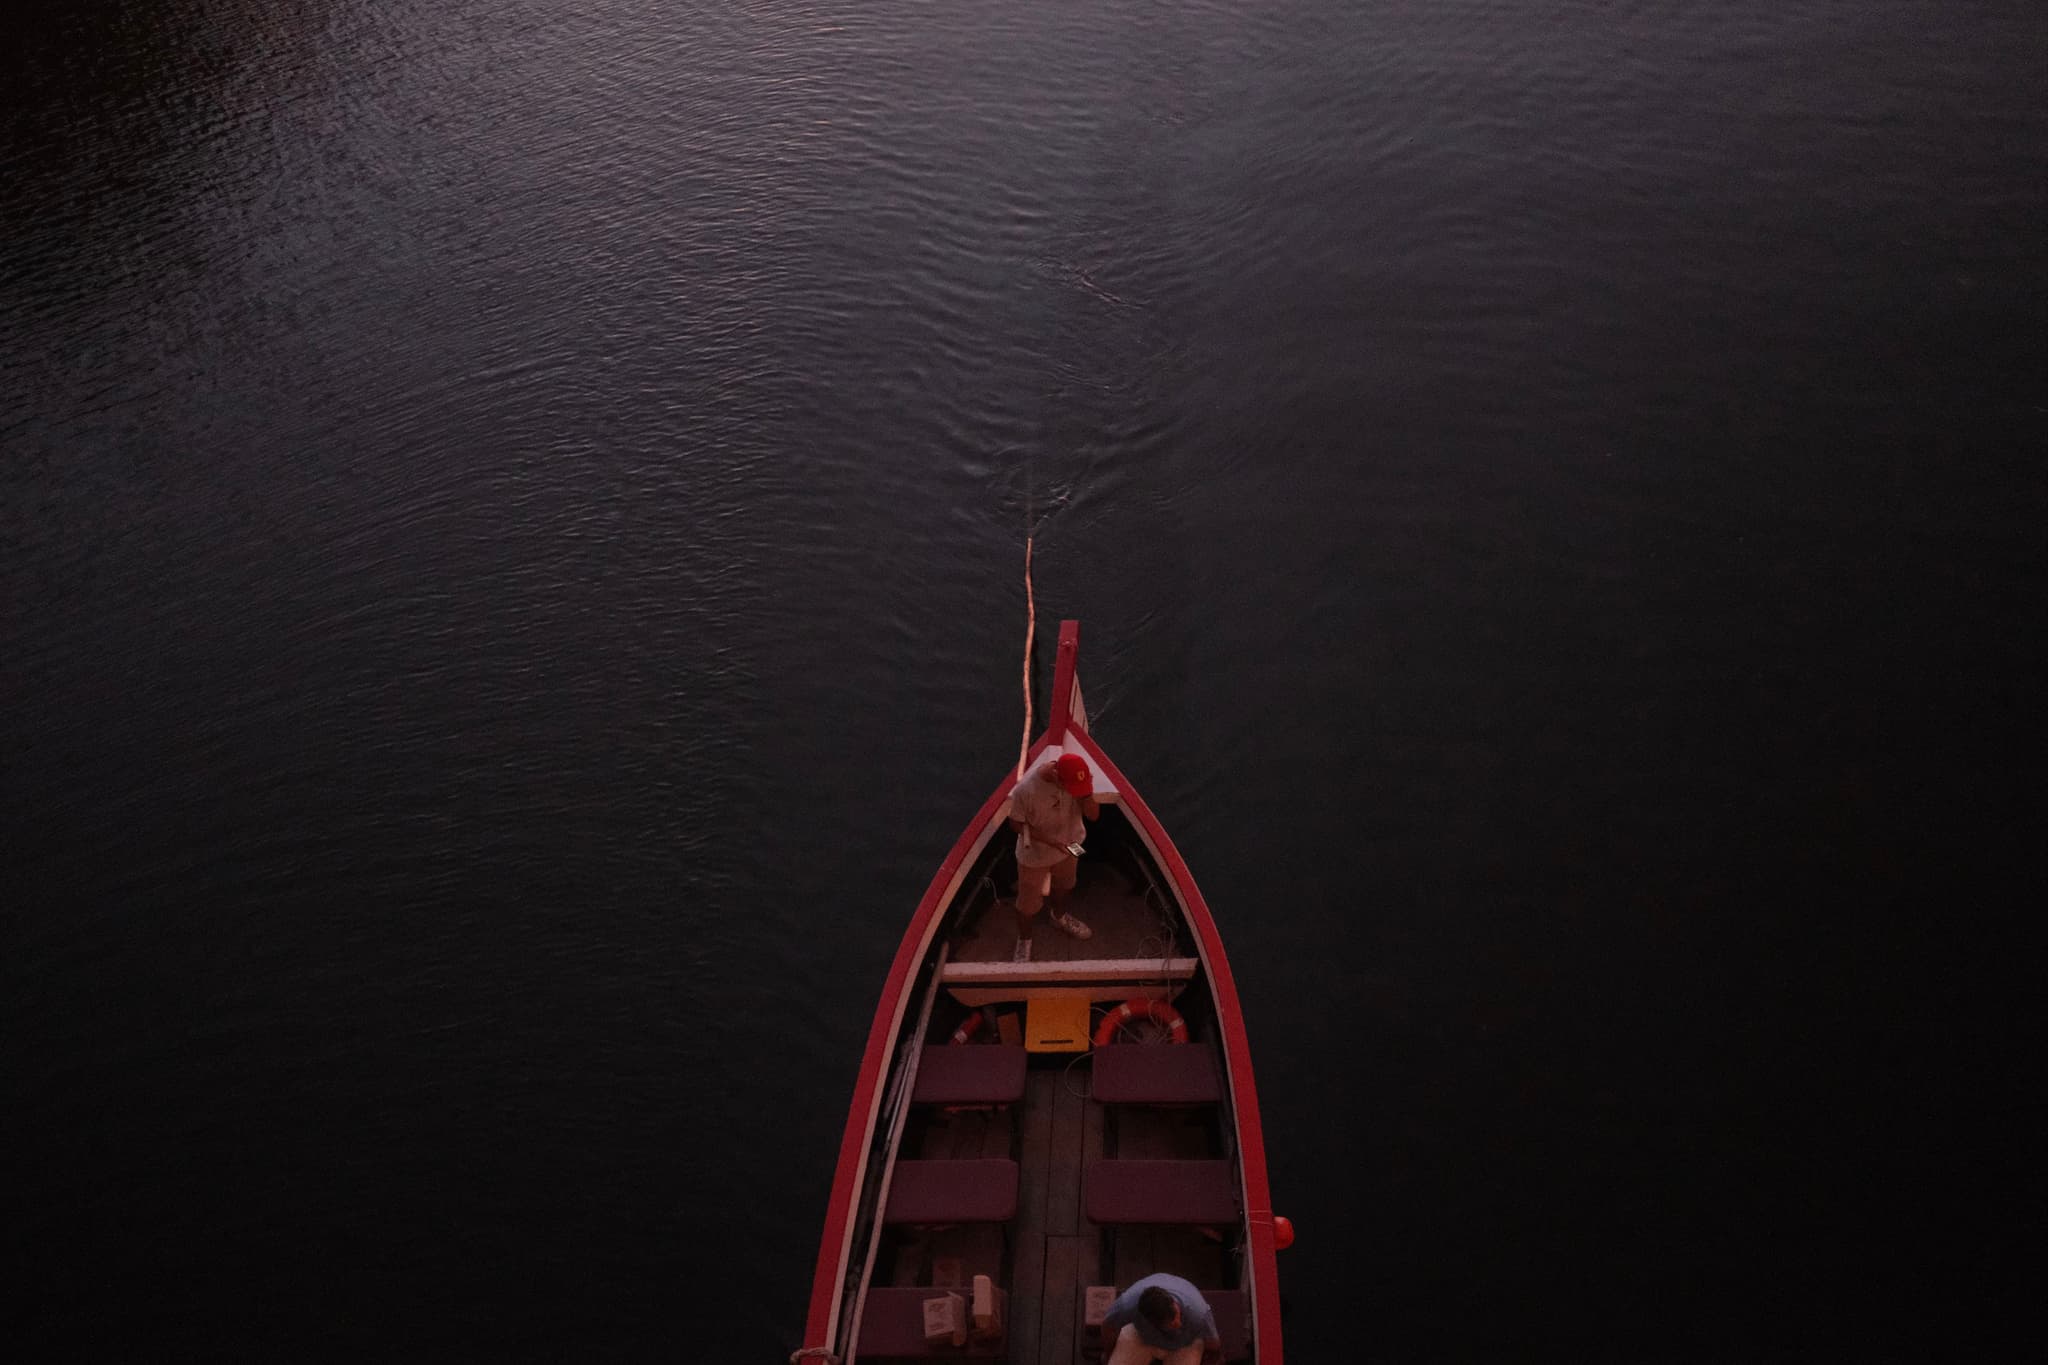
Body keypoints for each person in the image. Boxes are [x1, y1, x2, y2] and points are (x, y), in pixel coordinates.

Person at [1006, 752, 1098, 941]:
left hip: (1072, 846)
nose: (1075, 792)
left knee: (1066, 885)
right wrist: (1052, 841)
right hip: (1035, 855)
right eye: (1072, 788)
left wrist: (1086, 794)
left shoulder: (1078, 783)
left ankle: (1059, 917)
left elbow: (1093, 816)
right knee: (1027, 904)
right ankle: (1024, 940)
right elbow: (1015, 824)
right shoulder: (1025, 791)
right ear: (1056, 775)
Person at [1099, 1273, 1222, 1365]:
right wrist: (1109, 1353)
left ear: (1173, 1302)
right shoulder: (1128, 1304)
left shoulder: (1199, 1313)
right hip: (1141, 1335)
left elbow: (1214, 1344)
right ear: (1151, 1321)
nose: (1179, 1324)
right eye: (1172, 1325)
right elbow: (1108, 1326)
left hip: (1185, 1345)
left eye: (1177, 1317)